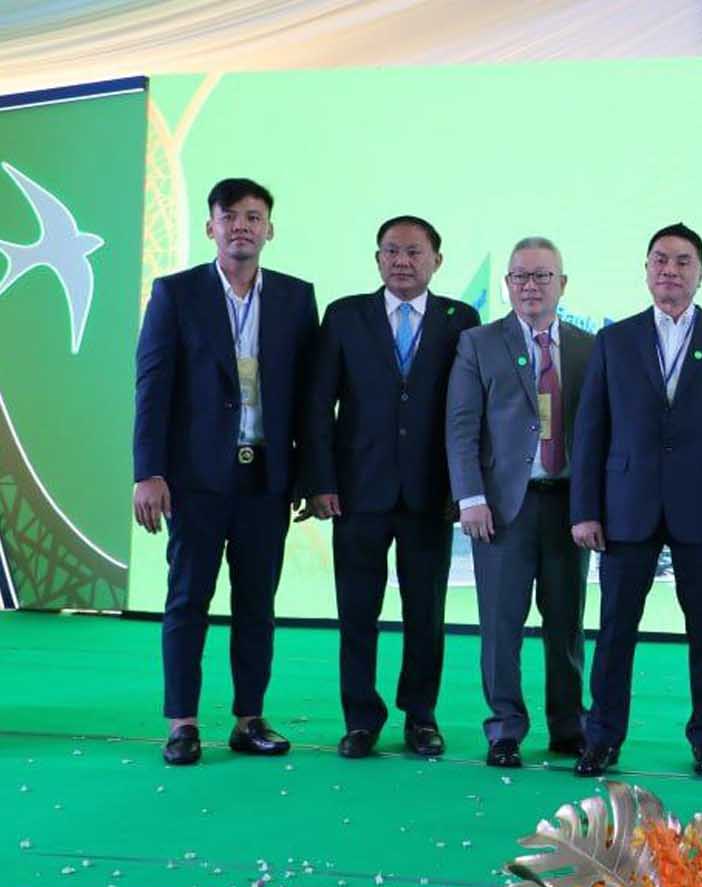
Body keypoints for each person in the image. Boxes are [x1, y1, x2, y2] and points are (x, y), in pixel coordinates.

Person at [132, 178, 318, 765]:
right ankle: (182, 723)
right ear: (210, 226)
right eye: (230, 215)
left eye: (253, 216)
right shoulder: (176, 293)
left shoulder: (295, 298)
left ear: (270, 229)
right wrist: (148, 472)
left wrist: (311, 476)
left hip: (267, 477)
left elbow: (310, 399)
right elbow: (152, 386)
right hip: (195, 479)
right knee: (188, 599)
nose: (242, 226)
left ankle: (249, 718)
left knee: (257, 603)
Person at [570, 223, 702, 779]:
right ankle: (602, 738)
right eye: (660, 260)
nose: (670, 271)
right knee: (614, 632)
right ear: (646, 270)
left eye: (682, 262)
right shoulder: (615, 340)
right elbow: (591, 431)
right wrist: (585, 510)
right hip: (626, 507)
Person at [302, 215, 480, 759]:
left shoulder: (460, 320)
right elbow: (318, 405)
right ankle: (361, 719)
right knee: (357, 610)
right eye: (391, 251)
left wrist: (464, 488)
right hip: (357, 489)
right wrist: (320, 480)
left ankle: (420, 717)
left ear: (437, 261)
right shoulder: (344, 315)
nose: (402, 261)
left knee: (425, 612)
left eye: (414, 252)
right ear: (377, 258)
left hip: (431, 493)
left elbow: (470, 411)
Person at [445, 237, 594, 768]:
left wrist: (594, 506)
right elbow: (461, 426)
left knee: (566, 623)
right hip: (502, 509)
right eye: (521, 276)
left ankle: (568, 726)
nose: (531, 286)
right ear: (507, 284)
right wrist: (470, 498)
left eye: (542, 276)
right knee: (501, 624)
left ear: (563, 284)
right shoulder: (478, 343)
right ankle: (505, 728)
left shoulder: (589, 347)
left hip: (569, 507)